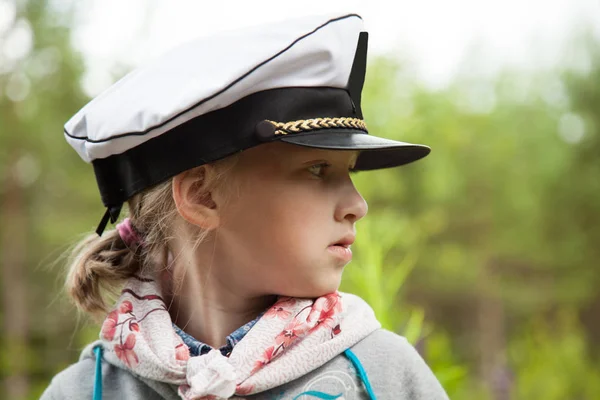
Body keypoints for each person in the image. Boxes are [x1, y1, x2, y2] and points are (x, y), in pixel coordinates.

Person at [41, 12, 449, 400]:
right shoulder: (83, 391)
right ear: (203, 195)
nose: (357, 205)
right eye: (317, 169)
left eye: (350, 173)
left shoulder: (385, 377)